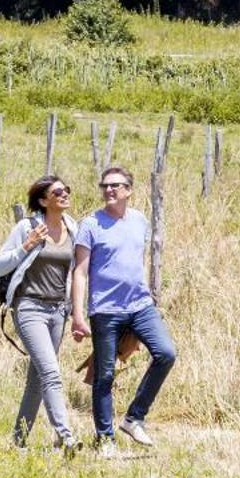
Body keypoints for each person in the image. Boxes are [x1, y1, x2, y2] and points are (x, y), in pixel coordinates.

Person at [71, 165, 177, 454]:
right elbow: (80, 272)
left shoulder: (140, 221)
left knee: (166, 353)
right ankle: (105, 438)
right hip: (105, 310)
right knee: (104, 374)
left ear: (129, 190)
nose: (109, 190)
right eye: (105, 185)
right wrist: (78, 315)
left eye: (116, 185)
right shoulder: (90, 224)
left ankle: (134, 418)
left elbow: (134, 260)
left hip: (140, 305)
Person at [0, 176, 81, 453]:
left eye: (67, 189)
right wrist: (26, 246)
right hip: (29, 307)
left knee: (37, 379)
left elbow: (77, 271)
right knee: (51, 373)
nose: (65, 194)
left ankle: (18, 441)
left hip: (57, 311)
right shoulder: (27, 227)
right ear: (43, 200)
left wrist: (76, 312)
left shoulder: (72, 227)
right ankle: (65, 437)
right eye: (58, 192)